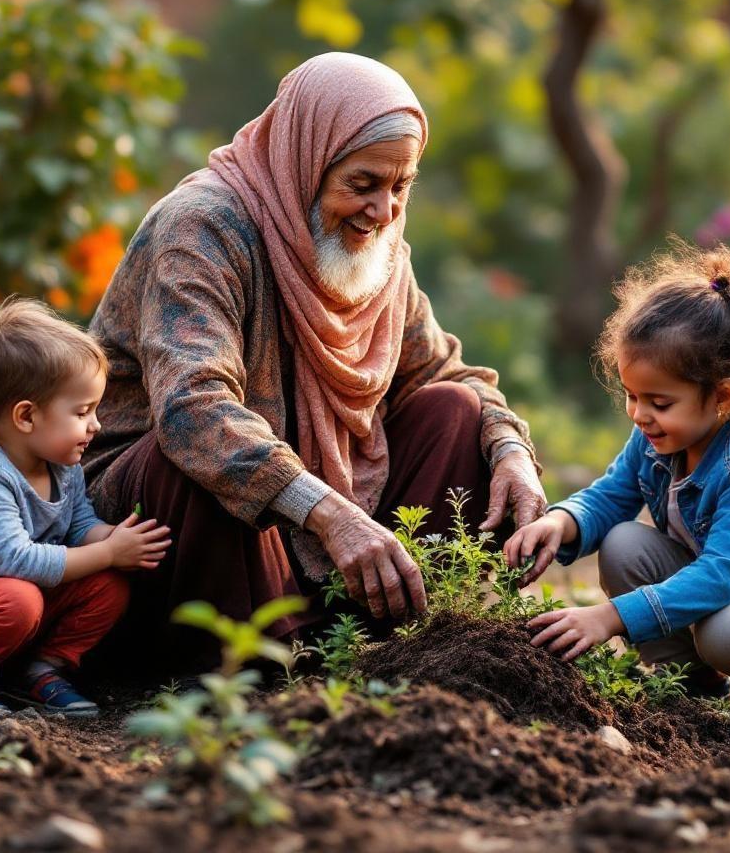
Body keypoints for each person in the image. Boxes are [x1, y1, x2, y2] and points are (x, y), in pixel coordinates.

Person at [82, 52, 546, 671]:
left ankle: (368, 639)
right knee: (192, 461)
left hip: (313, 527)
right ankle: (251, 654)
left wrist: (512, 450)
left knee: (455, 413)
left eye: (400, 186)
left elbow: (441, 371)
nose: (383, 211)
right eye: (362, 184)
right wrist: (329, 514)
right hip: (152, 532)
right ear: (306, 160)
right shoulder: (202, 228)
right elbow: (192, 409)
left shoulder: (377, 245)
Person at [502, 243, 730, 734]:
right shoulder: (662, 433)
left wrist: (609, 618)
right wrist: (561, 521)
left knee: (728, 631)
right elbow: (613, 495)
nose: (639, 415)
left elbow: (721, 576)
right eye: (632, 396)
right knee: (622, 544)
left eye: (658, 401)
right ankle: (693, 681)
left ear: (722, 396)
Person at [0, 299, 172, 715]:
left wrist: (113, 540)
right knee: (20, 599)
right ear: (26, 417)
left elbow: (78, 526)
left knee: (107, 585)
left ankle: (37, 670)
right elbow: (17, 562)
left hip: (6, 600)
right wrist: (107, 552)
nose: (96, 425)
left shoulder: (60, 463)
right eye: (83, 411)